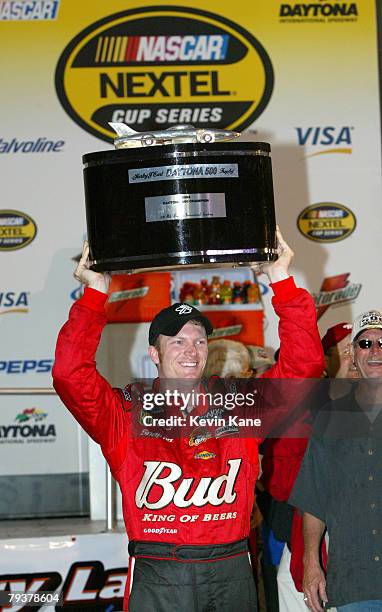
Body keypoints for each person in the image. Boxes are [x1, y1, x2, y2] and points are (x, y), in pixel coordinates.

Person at [52, 228, 324, 612]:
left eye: (198, 340)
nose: (191, 350)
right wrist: (95, 292)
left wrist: (280, 279)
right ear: (154, 354)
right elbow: (70, 375)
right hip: (159, 568)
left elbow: (304, 368)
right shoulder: (125, 412)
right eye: (176, 341)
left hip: (230, 566)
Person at [289, 309, 382, 612]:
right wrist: (311, 563)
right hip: (354, 582)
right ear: (353, 354)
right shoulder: (330, 416)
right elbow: (314, 496)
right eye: (365, 344)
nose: (374, 351)